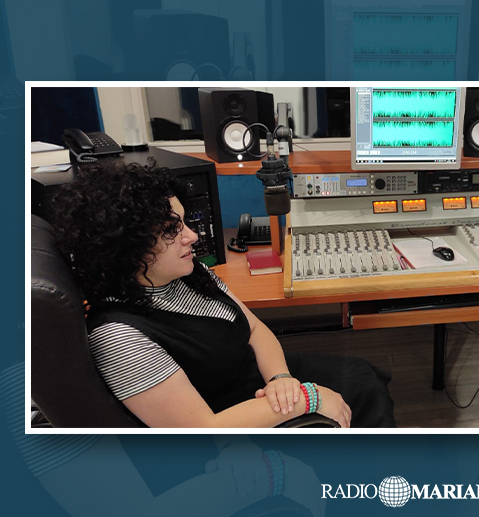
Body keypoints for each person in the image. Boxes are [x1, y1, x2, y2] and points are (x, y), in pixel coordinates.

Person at [51, 158, 396, 428]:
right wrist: (308, 399)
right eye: (172, 230)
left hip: (264, 382)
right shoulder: (119, 337)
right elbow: (204, 428)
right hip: (235, 421)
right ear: (127, 246)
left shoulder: (188, 273)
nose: (191, 236)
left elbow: (255, 329)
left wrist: (281, 379)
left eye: (185, 222)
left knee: (362, 376)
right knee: (361, 394)